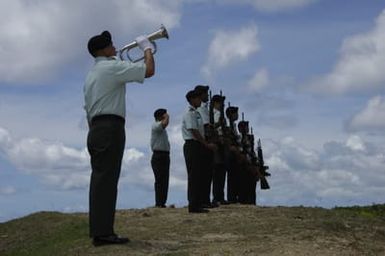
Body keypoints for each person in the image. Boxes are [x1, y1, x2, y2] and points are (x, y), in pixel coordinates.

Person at [84, 30, 155, 246]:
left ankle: (100, 230)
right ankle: (103, 233)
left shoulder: (91, 75)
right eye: (111, 45)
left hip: (95, 129)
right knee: (107, 181)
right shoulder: (111, 67)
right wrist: (147, 49)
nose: (115, 47)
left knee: (100, 181)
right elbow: (149, 70)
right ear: (104, 50)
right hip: (110, 127)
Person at [182, 89, 216, 213]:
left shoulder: (196, 113)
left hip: (197, 145)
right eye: (197, 98)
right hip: (192, 145)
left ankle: (199, 202)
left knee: (199, 175)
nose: (199, 100)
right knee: (194, 176)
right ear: (192, 99)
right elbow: (194, 132)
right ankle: (193, 205)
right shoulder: (190, 113)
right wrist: (206, 144)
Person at [194, 85, 217, 208]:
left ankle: (205, 199)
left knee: (207, 173)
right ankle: (204, 200)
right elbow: (207, 126)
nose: (207, 96)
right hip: (205, 142)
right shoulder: (201, 109)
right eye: (205, 94)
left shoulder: (204, 108)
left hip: (205, 142)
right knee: (204, 173)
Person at [150, 108, 170, 208]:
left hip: (165, 155)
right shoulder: (156, 125)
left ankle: (162, 202)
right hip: (158, 155)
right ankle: (159, 203)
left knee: (165, 180)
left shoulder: (162, 129)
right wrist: (167, 117)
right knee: (160, 180)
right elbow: (164, 123)